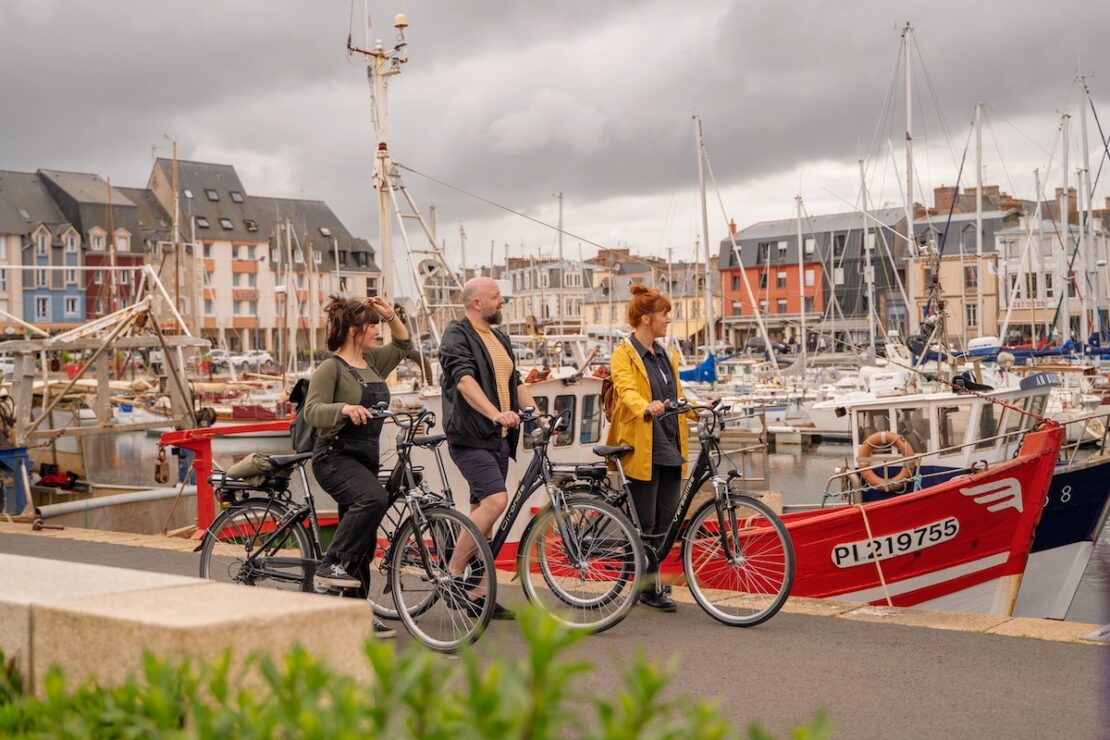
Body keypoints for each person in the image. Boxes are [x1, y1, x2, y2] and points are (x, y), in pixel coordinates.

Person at [303, 294, 411, 638]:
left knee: (365, 539)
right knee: (374, 500)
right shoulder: (330, 368)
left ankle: (355, 615)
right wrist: (344, 409)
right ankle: (329, 565)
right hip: (333, 456)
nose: (378, 332)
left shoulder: (373, 362)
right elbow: (312, 411)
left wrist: (390, 314)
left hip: (365, 457)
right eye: (372, 326)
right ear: (354, 330)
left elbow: (404, 344)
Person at [439, 277, 539, 620]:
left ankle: (479, 596)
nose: (502, 301)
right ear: (476, 303)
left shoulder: (499, 338)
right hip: (470, 437)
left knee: (486, 516)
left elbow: (516, 383)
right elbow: (464, 381)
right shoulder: (457, 334)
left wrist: (538, 416)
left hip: (499, 440)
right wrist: (495, 413)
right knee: (497, 501)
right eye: (496, 296)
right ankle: (452, 573)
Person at [605, 284, 690, 611]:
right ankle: (646, 587)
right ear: (645, 318)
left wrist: (701, 407)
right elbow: (626, 390)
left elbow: (677, 396)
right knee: (647, 523)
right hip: (641, 443)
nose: (668, 319)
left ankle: (648, 583)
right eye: (664, 314)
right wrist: (645, 406)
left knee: (665, 524)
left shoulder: (667, 354)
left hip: (669, 441)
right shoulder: (623, 353)